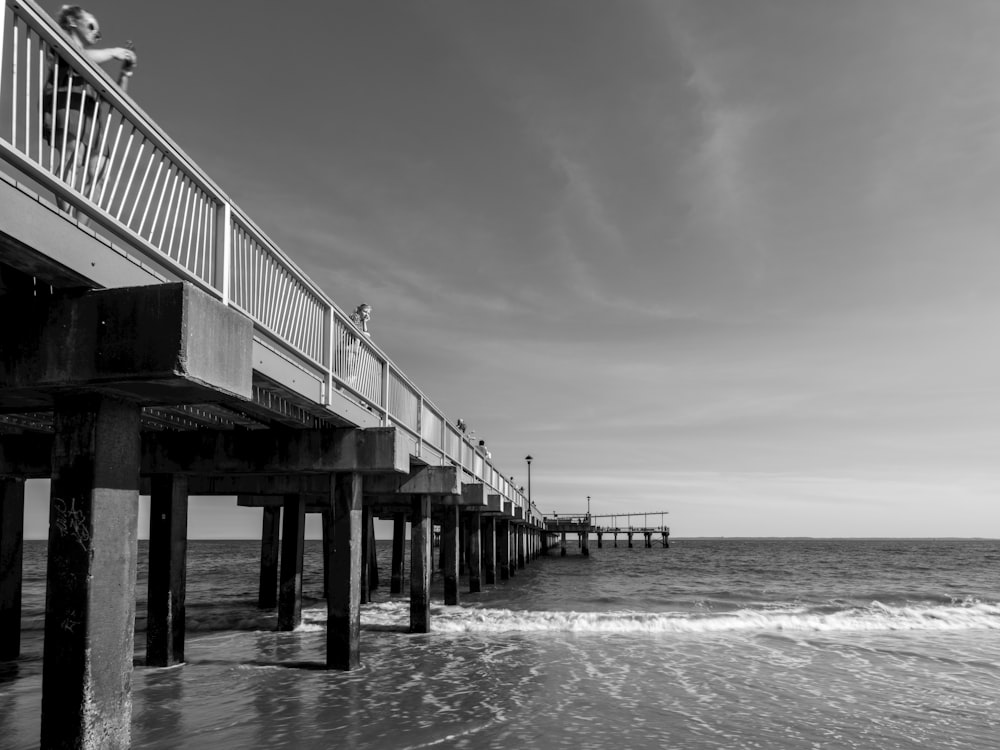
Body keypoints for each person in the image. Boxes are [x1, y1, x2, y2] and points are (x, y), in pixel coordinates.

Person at [43, 6, 137, 218]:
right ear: (72, 22)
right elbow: (77, 56)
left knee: (100, 174)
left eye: (99, 32)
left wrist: (125, 72)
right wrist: (112, 52)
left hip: (92, 119)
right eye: (92, 27)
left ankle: (79, 227)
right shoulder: (61, 42)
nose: (96, 34)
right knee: (73, 159)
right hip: (69, 108)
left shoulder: (93, 62)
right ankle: (66, 219)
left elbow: (117, 98)